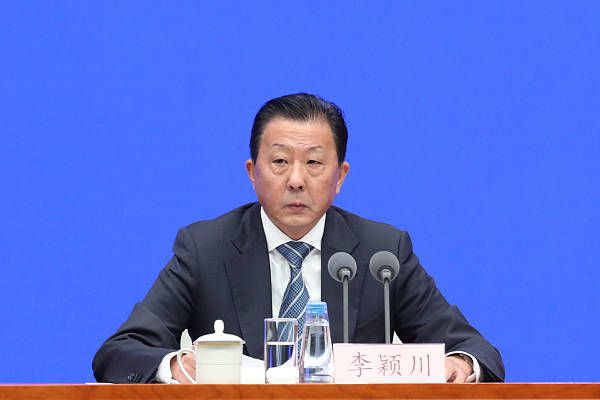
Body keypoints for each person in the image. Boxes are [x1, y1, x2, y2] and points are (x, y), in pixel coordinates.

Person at [93, 93, 504, 384]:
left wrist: (462, 365)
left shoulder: (382, 252)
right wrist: (178, 365)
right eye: (279, 162)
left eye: (313, 163)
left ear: (339, 176)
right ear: (252, 172)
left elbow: (474, 349)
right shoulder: (206, 248)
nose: (295, 180)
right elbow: (120, 352)